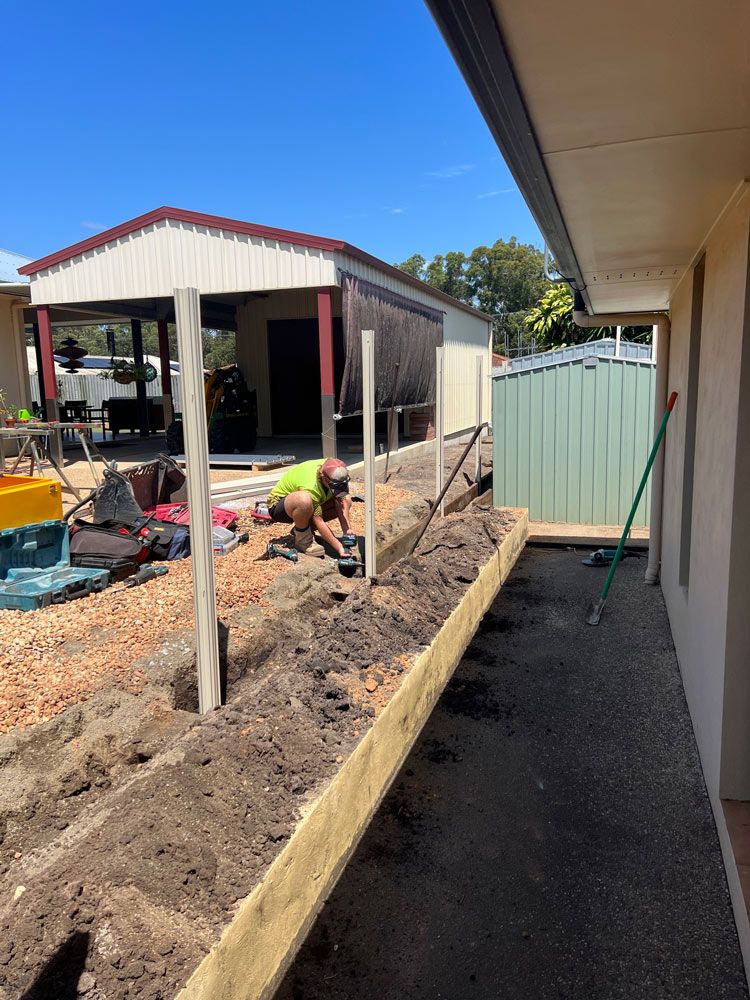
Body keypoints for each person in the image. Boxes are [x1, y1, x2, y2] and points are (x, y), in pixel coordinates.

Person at [265, 458, 352, 557]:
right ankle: (303, 541)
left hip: (306, 504)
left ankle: (301, 528)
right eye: (335, 487)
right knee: (303, 500)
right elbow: (319, 520)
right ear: (325, 479)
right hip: (280, 507)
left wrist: (347, 532)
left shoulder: (335, 468)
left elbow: (340, 503)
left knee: (346, 500)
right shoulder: (311, 487)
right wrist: (339, 547)